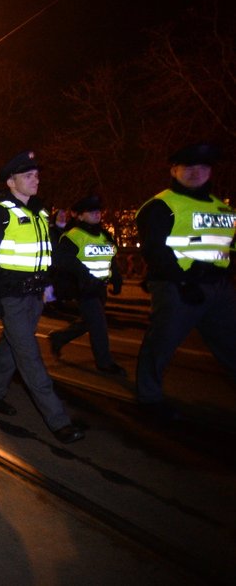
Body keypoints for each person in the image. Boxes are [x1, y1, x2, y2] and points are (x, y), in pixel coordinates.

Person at [0, 150, 84, 444]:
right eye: (28, 175)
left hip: (35, 296)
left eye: (36, 175)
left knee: (12, 346)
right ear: (11, 182)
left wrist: (57, 284)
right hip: (11, 295)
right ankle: (58, 420)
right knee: (29, 356)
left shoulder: (40, 212)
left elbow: (48, 254)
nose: (35, 180)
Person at [135, 144, 236, 419]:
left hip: (219, 288)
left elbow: (227, 247)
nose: (195, 173)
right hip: (177, 287)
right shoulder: (160, 205)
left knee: (231, 344)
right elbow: (155, 250)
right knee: (162, 343)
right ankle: (149, 399)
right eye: (188, 168)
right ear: (173, 170)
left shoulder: (221, 207)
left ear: (210, 171)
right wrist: (183, 281)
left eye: (202, 167)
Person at [48, 195, 125, 375]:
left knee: (88, 322)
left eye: (98, 211)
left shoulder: (105, 234)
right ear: (80, 216)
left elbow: (112, 259)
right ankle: (104, 362)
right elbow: (64, 261)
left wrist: (117, 278)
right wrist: (85, 276)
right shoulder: (73, 236)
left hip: (100, 287)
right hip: (84, 288)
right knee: (98, 324)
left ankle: (59, 338)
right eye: (91, 212)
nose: (96, 214)